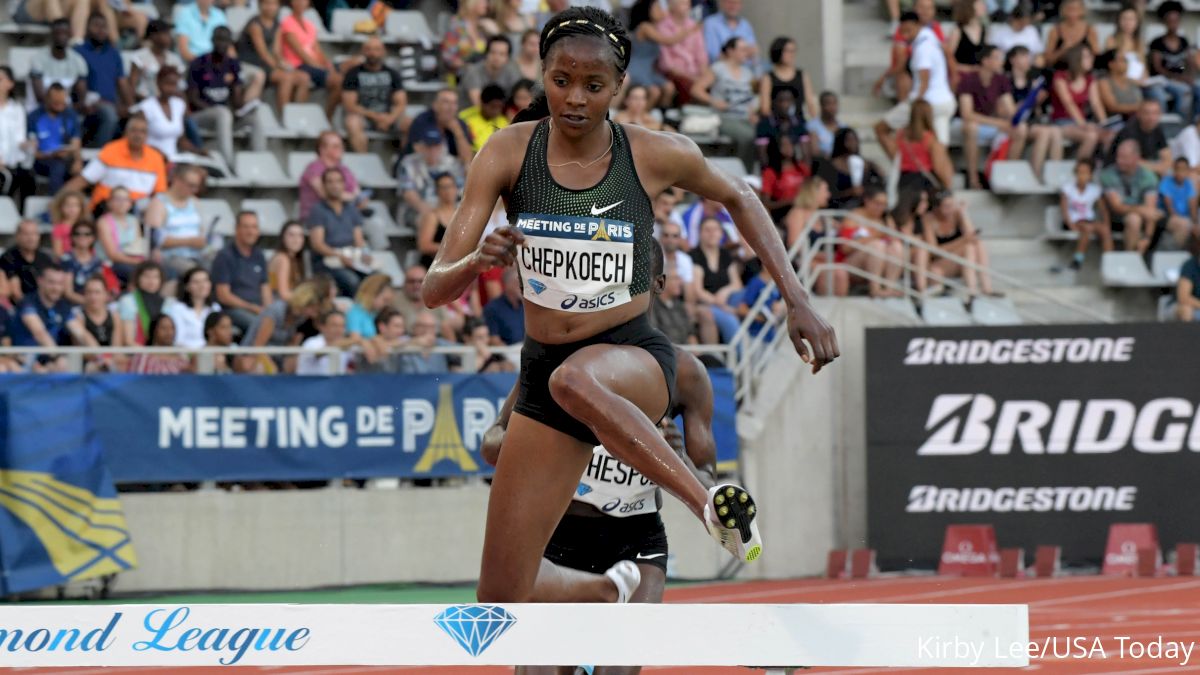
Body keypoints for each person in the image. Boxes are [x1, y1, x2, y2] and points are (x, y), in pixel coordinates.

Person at [423, 7, 838, 606]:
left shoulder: (650, 154)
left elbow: (739, 195)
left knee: (578, 377)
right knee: (501, 599)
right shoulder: (505, 153)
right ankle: (605, 589)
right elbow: (434, 288)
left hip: (631, 357)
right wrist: (477, 261)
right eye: (560, 80)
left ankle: (707, 508)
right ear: (541, 73)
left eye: (594, 86)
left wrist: (796, 299)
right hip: (545, 374)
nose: (574, 98)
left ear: (619, 87)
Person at [480, 245, 718, 675]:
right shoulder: (558, 361)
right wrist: (529, 443)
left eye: (632, 278)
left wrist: (675, 456)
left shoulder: (685, 374)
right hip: (559, 536)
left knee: (617, 670)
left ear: (658, 286)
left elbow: (707, 479)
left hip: (637, 542)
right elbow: (492, 441)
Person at [877, 11, 956, 146]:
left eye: (908, 31)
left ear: (917, 25)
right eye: (903, 32)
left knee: (881, 129)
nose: (905, 35)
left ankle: (900, 164)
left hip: (928, 102)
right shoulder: (930, 35)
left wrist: (915, 105)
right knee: (940, 147)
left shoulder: (922, 49)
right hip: (946, 102)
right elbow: (947, 52)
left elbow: (924, 82)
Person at [188, 26, 265, 164]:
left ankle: (260, 161)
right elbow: (193, 98)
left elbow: (236, 100)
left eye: (225, 40)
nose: (222, 43)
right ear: (212, 40)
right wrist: (215, 109)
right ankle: (228, 163)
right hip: (201, 115)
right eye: (219, 39)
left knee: (255, 119)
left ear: (230, 43)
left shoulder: (233, 64)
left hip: (225, 118)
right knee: (223, 112)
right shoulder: (198, 63)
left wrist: (245, 105)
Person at [65, 113, 168, 212]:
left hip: (138, 212)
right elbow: (84, 180)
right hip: (106, 209)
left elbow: (160, 193)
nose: (138, 135)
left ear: (147, 135)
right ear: (126, 133)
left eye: (142, 131)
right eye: (134, 130)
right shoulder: (111, 151)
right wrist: (60, 198)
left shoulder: (156, 158)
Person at [915, 190, 998, 297]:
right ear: (936, 207)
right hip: (939, 264)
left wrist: (964, 214)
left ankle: (986, 288)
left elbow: (972, 237)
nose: (950, 209)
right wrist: (962, 241)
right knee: (968, 247)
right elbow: (934, 251)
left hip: (959, 260)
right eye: (946, 206)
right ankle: (971, 291)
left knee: (977, 245)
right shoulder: (928, 219)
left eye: (952, 205)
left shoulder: (956, 214)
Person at [236, 0, 310, 115]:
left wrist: (283, 63)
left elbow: (276, 51)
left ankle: (298, 115)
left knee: (304, 77)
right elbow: (263, 53)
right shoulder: (255, 25)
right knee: (286, 78)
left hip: (268, 63)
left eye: (274, 4)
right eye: (267, 3)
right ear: (261, 6)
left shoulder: (277, 25)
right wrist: (278, 68)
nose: (271, 7)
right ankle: (285, 116)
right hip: (253, 62)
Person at [74, 12, 133, 147]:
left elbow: (122, 82)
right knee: (110, 115)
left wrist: (131, 107)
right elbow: (77, 85)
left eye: (104, 27)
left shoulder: (114, 53)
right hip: (90, 104)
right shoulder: (78, 51)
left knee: (137, 118)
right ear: (87, 28)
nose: (101, 30)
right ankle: (101, 155)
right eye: (96, 26)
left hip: (111, 104)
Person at [307, 168, 368, 297]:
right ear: (324, 186)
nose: (335, 185)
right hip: (326, 261)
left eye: (338, 181)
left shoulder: (351, 209)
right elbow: (317, 244)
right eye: (330, 182)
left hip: (350, 258)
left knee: (375, 278)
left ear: (344, 185)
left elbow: (359, 240)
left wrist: (364, 254)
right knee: (352, 281)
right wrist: (339, 256)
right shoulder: (318, 210)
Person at [342, 37, 408, 154]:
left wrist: (389, 119)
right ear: (363, 51)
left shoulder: (392, 74)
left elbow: (401, 102)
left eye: (377, 49)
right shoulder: (353, 74)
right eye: (369, 49)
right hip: (364, 116)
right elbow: (350, 105)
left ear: (384, 52)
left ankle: (403, 161)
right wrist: (376, 117)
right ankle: (364, 160)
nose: (373, 53)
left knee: (410, 123)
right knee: (352, 122)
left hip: (388, 116)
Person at [281, 0, 344, 119]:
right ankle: (326, 118)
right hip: (299, 65)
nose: (300, 3)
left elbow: (318, 50)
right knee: (338, 80)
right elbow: (301, 54)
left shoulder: (309, 25)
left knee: (345, 72)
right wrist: (323, 69)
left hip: (314, 65)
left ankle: (327, 117)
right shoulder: (287, 23)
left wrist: (327, 64)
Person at [211, 211, 271, 334]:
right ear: (236, 229)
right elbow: (223, 295)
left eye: (254, 227)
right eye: (246, 227)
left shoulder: (259, 255)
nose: (251, 232)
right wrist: (252, 308)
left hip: (258, 309)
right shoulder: (225, 256)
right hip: (233, 309)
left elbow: (265, 287)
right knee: (259, 325)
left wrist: (269, 310)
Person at [1102, 138, 1163, 253]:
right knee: (1134, 219)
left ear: (1136, 158)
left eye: (1124, 157)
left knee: (1179, 224)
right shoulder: (1108, 175)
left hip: (1142, 218)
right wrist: (1141, 210)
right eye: (1118, 157)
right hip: (1113, 218)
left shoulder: (1148, 176)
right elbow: (1117, 207)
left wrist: (1147, 237)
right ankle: (1130, 257)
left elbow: (1150, 210)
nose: (1119, 161)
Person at [137, 67, 205, 162]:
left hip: (173, 159)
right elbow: (136, 141)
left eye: (174, 85)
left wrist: (198, 151)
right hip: (150, 159)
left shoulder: (179, 105)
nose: (171, 88)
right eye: (168, 84)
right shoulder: (146, 107)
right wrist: (157, 153)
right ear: (158, 83)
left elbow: (181, 140)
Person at [28, 84, 82, 195]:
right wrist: (52, 154)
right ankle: (55, 204)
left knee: (91, 168)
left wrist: (77, 160)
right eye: (56, 103)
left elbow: (76, 142)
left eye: (63, 103)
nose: (60, 106)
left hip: (66, 158)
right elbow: (32, 151)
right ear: (47, 99)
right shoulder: (34, 117)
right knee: (58, 167)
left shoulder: (70, 115)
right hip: (43, 160)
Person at [1059, 159, 1111, 270]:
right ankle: (1078, 259)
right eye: (1079, 172)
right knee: (1087, 228)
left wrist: (1106, 223)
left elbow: (1103, 210)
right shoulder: (1067, 188)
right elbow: (1064, 209)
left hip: (1088, 220)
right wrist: (1070, 224)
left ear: (1090, 175)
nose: (1081, 176)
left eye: (1085, 173)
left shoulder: (1095, 190)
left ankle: (1109, 261)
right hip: (1073, 220)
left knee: (1104, 230)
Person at [94, 186, 147, 285]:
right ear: (109, 202)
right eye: (117, 199)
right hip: (111, 263)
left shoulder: (134, 220)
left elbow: (137, 246)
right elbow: (112, 254)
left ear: (130, 203)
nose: (122, 203)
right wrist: (137, 262)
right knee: (139, 274)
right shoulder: (104, 222)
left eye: (125, 199)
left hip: (131, 259)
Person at [0, 67, 34, 210]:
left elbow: (20, 139)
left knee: (28, 179)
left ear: (10, 84)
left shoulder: (17, 108)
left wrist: (28, 144)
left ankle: (22, 218)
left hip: (13, 162)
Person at [129, 18, 187, 101]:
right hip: (145, 101)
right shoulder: (139, 57)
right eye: (166, 34)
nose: (169, 37)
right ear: (153, 36)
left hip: (171, 104)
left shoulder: (175, 59)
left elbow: (181, 88)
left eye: (169, 34)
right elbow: (132, 87)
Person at [164, 266, 219, 348]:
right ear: (187, 287)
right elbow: (177, 340)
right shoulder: (177, 308)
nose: (202, 285)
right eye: (196, 282)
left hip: (210, 354)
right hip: (184, 354)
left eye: (205, 281)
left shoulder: (215, 308)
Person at [1, 220, 54, 304]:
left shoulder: (45, 257)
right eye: (26, 234)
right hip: (23, 306)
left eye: (34, 233)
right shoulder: (9, 258)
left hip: (46, 303)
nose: (31, 238)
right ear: (17, 236)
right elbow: (16, 294)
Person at [117, 260, 166, 345]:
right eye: (147, 276)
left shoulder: (168, 303)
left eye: (155, 277)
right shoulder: (128, 301)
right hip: (138, 353)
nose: (151, 281)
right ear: (138, 278)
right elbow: (129, 341)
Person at [417, 173, 460, 269]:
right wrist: (453, 249)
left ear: (456, 189)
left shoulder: (462, 214)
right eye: (443, 187)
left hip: (454, 264)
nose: (448, 191)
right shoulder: (432, 216)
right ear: (437, 191)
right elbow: (424, 245)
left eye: (450, 186)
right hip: (434, 265)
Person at [128, 314, 193, 374]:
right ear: (154, 331)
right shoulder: (142, 357)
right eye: (164, 328)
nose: (169, 332)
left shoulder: (181, 355)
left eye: (172, 328)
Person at [60, 221, 103, 306]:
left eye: (87, 234)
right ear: (72, 237)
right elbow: (68, 293)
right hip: (72, 306)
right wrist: (91, 304)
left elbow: (98, 287)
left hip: (92, 304)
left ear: (93, 238)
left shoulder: (97, 261)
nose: (82, 237)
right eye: (77, 234)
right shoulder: (66, 259)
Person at [1159, 157, 1198, 248]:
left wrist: (1195, 223)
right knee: (1184, 225)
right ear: (1173, 170)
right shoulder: (1166, 182)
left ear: (1188, 171)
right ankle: (1174, 252)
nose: (1180, 172)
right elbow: (1170, 207)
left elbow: (1192, 207)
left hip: (1185, 219)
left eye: (1183, 169)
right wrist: (1188, 223)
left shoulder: (1189, 184)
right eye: (1177, 169)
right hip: (1167, 217)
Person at [460, 84, 511, 152]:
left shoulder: (504, 122)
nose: (496, 111)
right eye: (493, 107)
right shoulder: (465, 118)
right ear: (482, 103)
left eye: (500, 107)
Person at [268, 221, 310, 302]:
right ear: (283, 238)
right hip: (277, 304)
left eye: (300, 235)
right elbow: (283, 294)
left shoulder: (295, 259)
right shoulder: (282, 258)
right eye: (291, 235)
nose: (296, 239)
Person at [482, 267, 524, 345]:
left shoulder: (525, 308)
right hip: (506, 354)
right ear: (508, 284)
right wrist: (511, 355)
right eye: (518, 283)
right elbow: (493, 339)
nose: (522, 287)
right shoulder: (493, 308)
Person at [345, 273, 393, 340]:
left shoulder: (376, 314)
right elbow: (355, 340)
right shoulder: (355, 313)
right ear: (373, 294)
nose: (387, 305)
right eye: (385, 300)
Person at [49, 189, 88, 259]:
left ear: (81, 208)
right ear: (60, 207)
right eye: (68, 205)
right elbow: (58, 252)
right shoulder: (59, 228)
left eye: (76, 205)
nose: (72, 208)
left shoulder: (86, 226)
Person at [1176, 234, 1200, 321]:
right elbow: (1183, 298)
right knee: (1186, 310)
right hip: (1192, 307)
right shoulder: (1190, 265)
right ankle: (1187, 335)